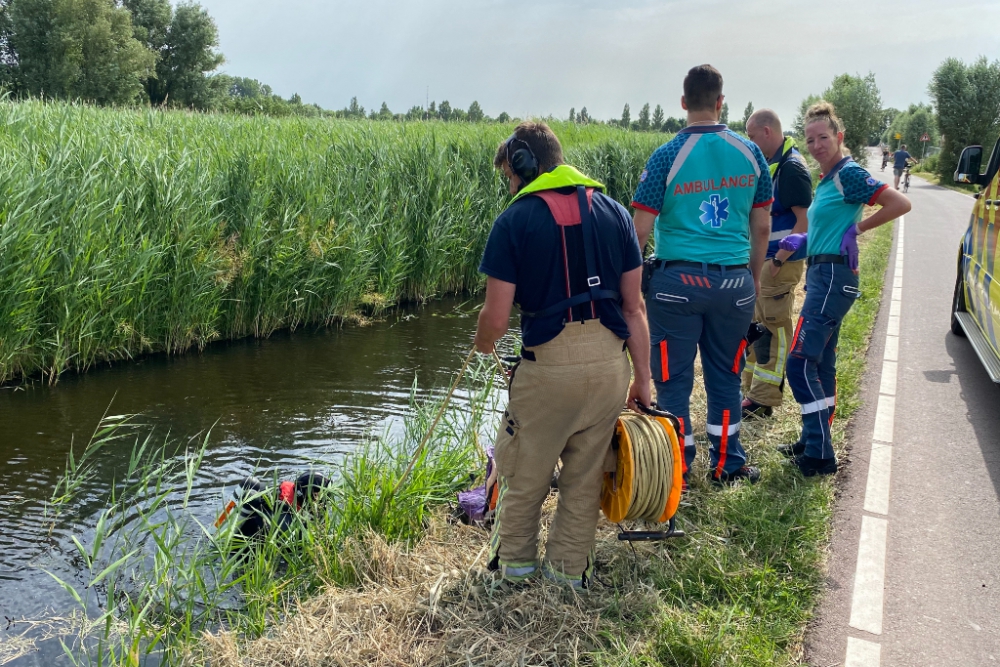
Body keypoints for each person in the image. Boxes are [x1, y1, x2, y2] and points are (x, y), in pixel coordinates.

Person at [474, 121, 651, 589]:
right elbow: (633, 307)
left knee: (523, 471)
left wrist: (483, 343)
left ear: (521, 164)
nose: (509, 186)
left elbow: (494, 319)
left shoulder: (514, 220)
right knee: (585, 476)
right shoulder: (614, 212)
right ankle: (567, 577)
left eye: (509, 176)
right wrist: (643, 380)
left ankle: (513, 574)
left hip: (549, 370)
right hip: (611, 366)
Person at [630, 64, 772, 486]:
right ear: (721, 102)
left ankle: (678, 467)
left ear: (684, 103)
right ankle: (729, 464)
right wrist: (753, 277)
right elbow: (762, 226)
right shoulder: (751, 153)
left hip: (676, 288)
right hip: (734, 285)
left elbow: (639, 230)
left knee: (673, 381)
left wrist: (629, 291)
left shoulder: (666, 156)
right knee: (726, 377)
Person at [778, 102, 910, 476]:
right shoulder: (826, 179)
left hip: (834, 278)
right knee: (821, 362)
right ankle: (812, 441)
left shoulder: (847, 173)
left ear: (839, 137)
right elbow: (825, 230)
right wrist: (798, 242)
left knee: (800, 362)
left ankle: (820, 453)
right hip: (823, 274)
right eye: (810, 140)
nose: (817, 144)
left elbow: (899, 202)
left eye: (823, 137)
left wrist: (858, 229)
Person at [741, 109, 813, 419]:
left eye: (753, 136)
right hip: (768, 262)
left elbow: (804, 221)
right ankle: (754, 394)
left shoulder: (792, 168)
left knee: (774, 329)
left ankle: (764, 400)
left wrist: (779, 259)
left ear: (767, 132)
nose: (751, 143)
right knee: (760, 329)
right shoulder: (778, 165)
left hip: (779, 263)